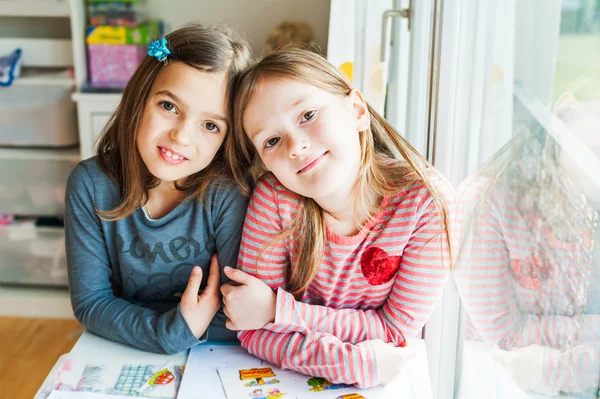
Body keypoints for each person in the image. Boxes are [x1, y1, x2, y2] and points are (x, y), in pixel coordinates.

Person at [221, 49, 454, 388]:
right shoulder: (274, 199)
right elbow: (251, 327)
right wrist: (354, 364)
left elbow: (395, 331)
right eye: (271, 140)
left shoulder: (425, 203)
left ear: (358, 111)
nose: (296, 146)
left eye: (307, 115)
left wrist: (278, 310)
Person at [64, 23, 252, 354]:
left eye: (209, 125)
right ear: (140, 97)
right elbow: (91, 304)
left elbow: (239, 313)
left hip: (211, 357)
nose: (181, 135)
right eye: (168, 106)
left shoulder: (228, 194)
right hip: (122, 351)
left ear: (227, 137)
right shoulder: (90, 185)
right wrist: (171, 331)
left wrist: (178, 328)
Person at [454, 78, 600, 396]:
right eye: (596, 151)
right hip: (489, 382)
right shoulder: (485, 200)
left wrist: (570, 368)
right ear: (563, 117)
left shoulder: (592, 207)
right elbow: (506, 333)